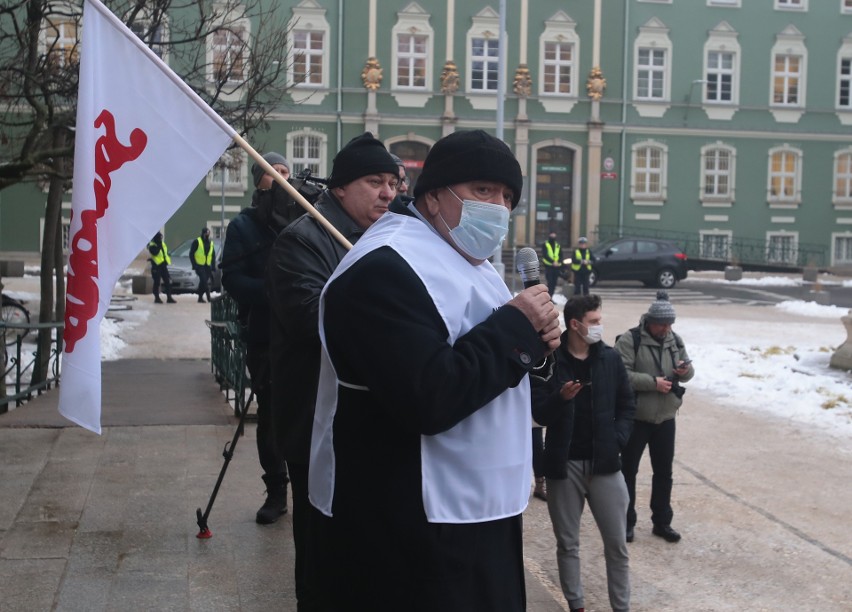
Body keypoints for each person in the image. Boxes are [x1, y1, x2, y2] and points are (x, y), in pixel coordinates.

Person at [308, 130, 561, 611]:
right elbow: (428, 394)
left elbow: (497, 369)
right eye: (482, 191)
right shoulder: (383, 268)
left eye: (508, 197)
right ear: (432, 196)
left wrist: (541, 346)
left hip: (475, 513)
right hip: (411, 533)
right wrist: (516, 329)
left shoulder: (469, 260)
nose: (499, 208)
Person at [267, 132, 400, 610]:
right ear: (340, 187)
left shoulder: (387, 235)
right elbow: (312, 321)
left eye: (393, 182)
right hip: (316, 426)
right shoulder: (301, 241)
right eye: (374, 181)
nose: (388, 192)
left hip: (371, 425)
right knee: (323, 557)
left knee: (368, 555)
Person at [530, 294, 635, 612]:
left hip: (605, 464)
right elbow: (537, 414)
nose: (599, 326)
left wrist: (617, 440)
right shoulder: (551, 360)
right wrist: (560, 398)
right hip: (564, 465)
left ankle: (622, 607)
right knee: (568, 543)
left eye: (599, 320)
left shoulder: (610, 359)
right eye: (594, 322)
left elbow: (627, 405)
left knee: (617, 545)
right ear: (575, 325)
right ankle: (576, 605)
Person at [220, 151, 291, 525]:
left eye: (284, 171)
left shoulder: (302, 217)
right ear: (257, 180)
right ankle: (276, 490)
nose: (279, 177)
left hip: (304, 332)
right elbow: (231, 279)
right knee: (272, 416)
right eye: (271, 172)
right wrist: (272, 292)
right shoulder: (243, 227)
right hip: (265, 334)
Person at [614, 290, 694, 544]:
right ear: (650, 321)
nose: (666, 329)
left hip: (665, 418)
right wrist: (652, 383)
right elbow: (619, 374)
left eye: (670, 324)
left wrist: (684, 370)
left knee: (664, 472)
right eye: (662, 324)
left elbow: (689, 371)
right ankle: (626, 522)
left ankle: (662, 522)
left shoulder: (674, 339)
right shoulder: (630, 340)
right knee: (628, 471)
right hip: (636, 418)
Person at [147, 232, 175, 304]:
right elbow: (155, 253)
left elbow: (164, 253)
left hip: (163, 265)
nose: (160, 239)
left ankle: (169, 297)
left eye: (161, 237)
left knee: (167, 281)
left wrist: (166, 261)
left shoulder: (163, 244)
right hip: (156, 266)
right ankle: (157, 298)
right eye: (159, 237)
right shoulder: (152, 245)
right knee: (157, 282)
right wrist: (158, 246)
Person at [191, 227, 216, 303]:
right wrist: (194, 264)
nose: (207, 234)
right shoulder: (197, 241)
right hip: (199, 265)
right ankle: (209, 297)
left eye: (208, 233)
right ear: (202, 233)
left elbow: (213, 255)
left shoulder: (211, 243)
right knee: (204, 281)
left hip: (207, 266)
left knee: (202, 282)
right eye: (206, 233)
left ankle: (200, 298)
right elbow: (191, 254)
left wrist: (213, 266)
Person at [541, 231, 563, 296]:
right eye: (552, 234)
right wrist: (552, 262)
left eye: (554, 234)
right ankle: (547, 297)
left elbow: (561, 255)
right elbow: (545, 255)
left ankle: (551, 297)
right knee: (550, 283)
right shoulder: (545, 244)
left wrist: (558, 262)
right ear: (549, 235)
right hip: (549, 266)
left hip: (556, 267)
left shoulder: (558, 245)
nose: (553, 236)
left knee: (554, 283)